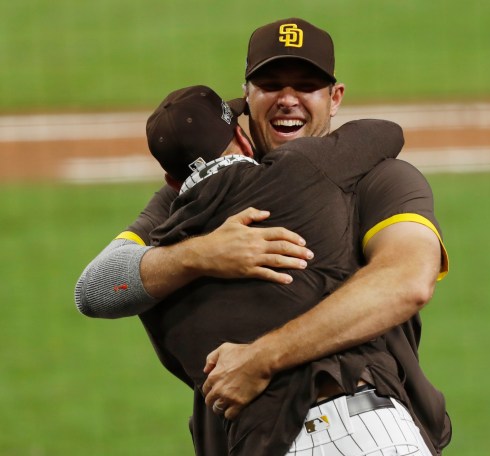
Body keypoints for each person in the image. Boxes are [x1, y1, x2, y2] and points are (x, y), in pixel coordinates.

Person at [75, 17, 451, 455]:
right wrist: (204, 254)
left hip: (340, 418)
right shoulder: (183, 208)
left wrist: (263, 357)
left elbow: (406, 280)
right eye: (270, 85)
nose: (287, 99)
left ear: (335, 97)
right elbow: (96, 288)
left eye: (306, 85)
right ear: (246, 99)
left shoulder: (381, 179)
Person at [140, 82, 427, 455]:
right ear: (242, 140)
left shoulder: (154, 278)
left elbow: (203, 379)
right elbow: (387, 132)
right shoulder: (302, 170)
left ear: (170, 182)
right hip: (362, 427)